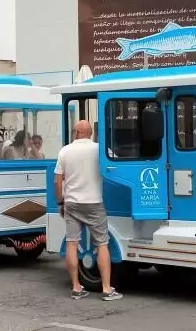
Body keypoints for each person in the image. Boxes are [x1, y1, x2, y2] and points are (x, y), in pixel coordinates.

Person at [54, 120, 122, 301]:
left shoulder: (65, 151)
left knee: (72, 243)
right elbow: (116, 165)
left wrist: (60, 202)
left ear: (76, 132)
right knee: (102, 244)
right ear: (90, 133)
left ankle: (76, 287)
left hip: (71, 203)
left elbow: (57, 181)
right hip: (94, 203)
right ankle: (107, 289)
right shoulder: (99, 150)